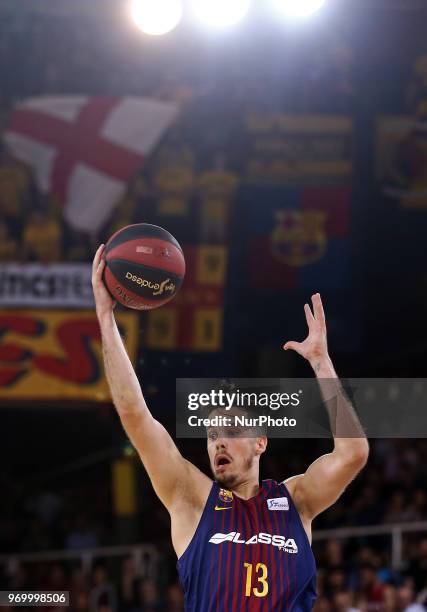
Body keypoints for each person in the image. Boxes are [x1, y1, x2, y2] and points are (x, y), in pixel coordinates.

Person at [92, 245, 369, 611]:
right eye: (210, 436)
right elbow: (134, 414)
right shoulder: (190, 499)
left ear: (260, 443)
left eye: (230, 431)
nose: (218, 442)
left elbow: (353, 453)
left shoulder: (294, 502)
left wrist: (321, 362)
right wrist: (106, 317)